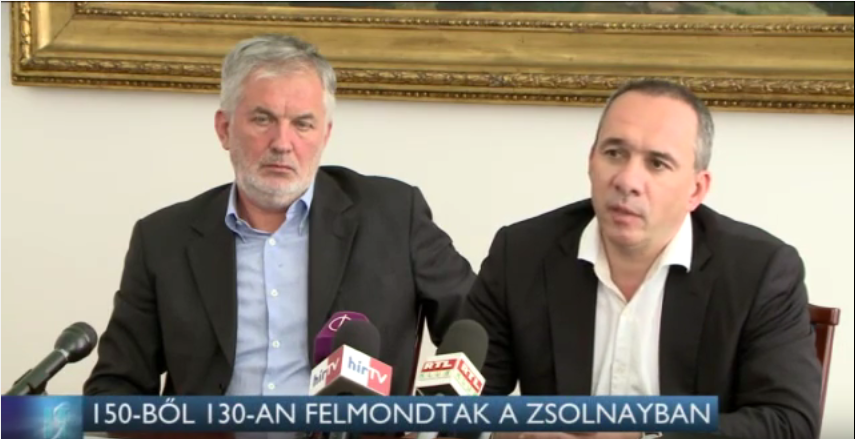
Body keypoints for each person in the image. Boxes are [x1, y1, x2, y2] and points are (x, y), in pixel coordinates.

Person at [83, 34, 475, 397]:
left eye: (302, 124)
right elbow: (116, 386)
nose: (282, 143)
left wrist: (436, 428)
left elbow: (477, 329)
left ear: (325, 135)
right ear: (224, 129)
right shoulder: (163, 239)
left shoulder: (393, 216)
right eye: (263, 119)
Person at [462, 79, 822, 439]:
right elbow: (459, 407)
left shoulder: (759, 271)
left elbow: (789, 424)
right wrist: (517, 435)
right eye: (614, 153)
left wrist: (643, 434)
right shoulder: (521, 254)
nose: (628, 180)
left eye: (658, 163)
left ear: (696, 189)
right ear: (591, 161)